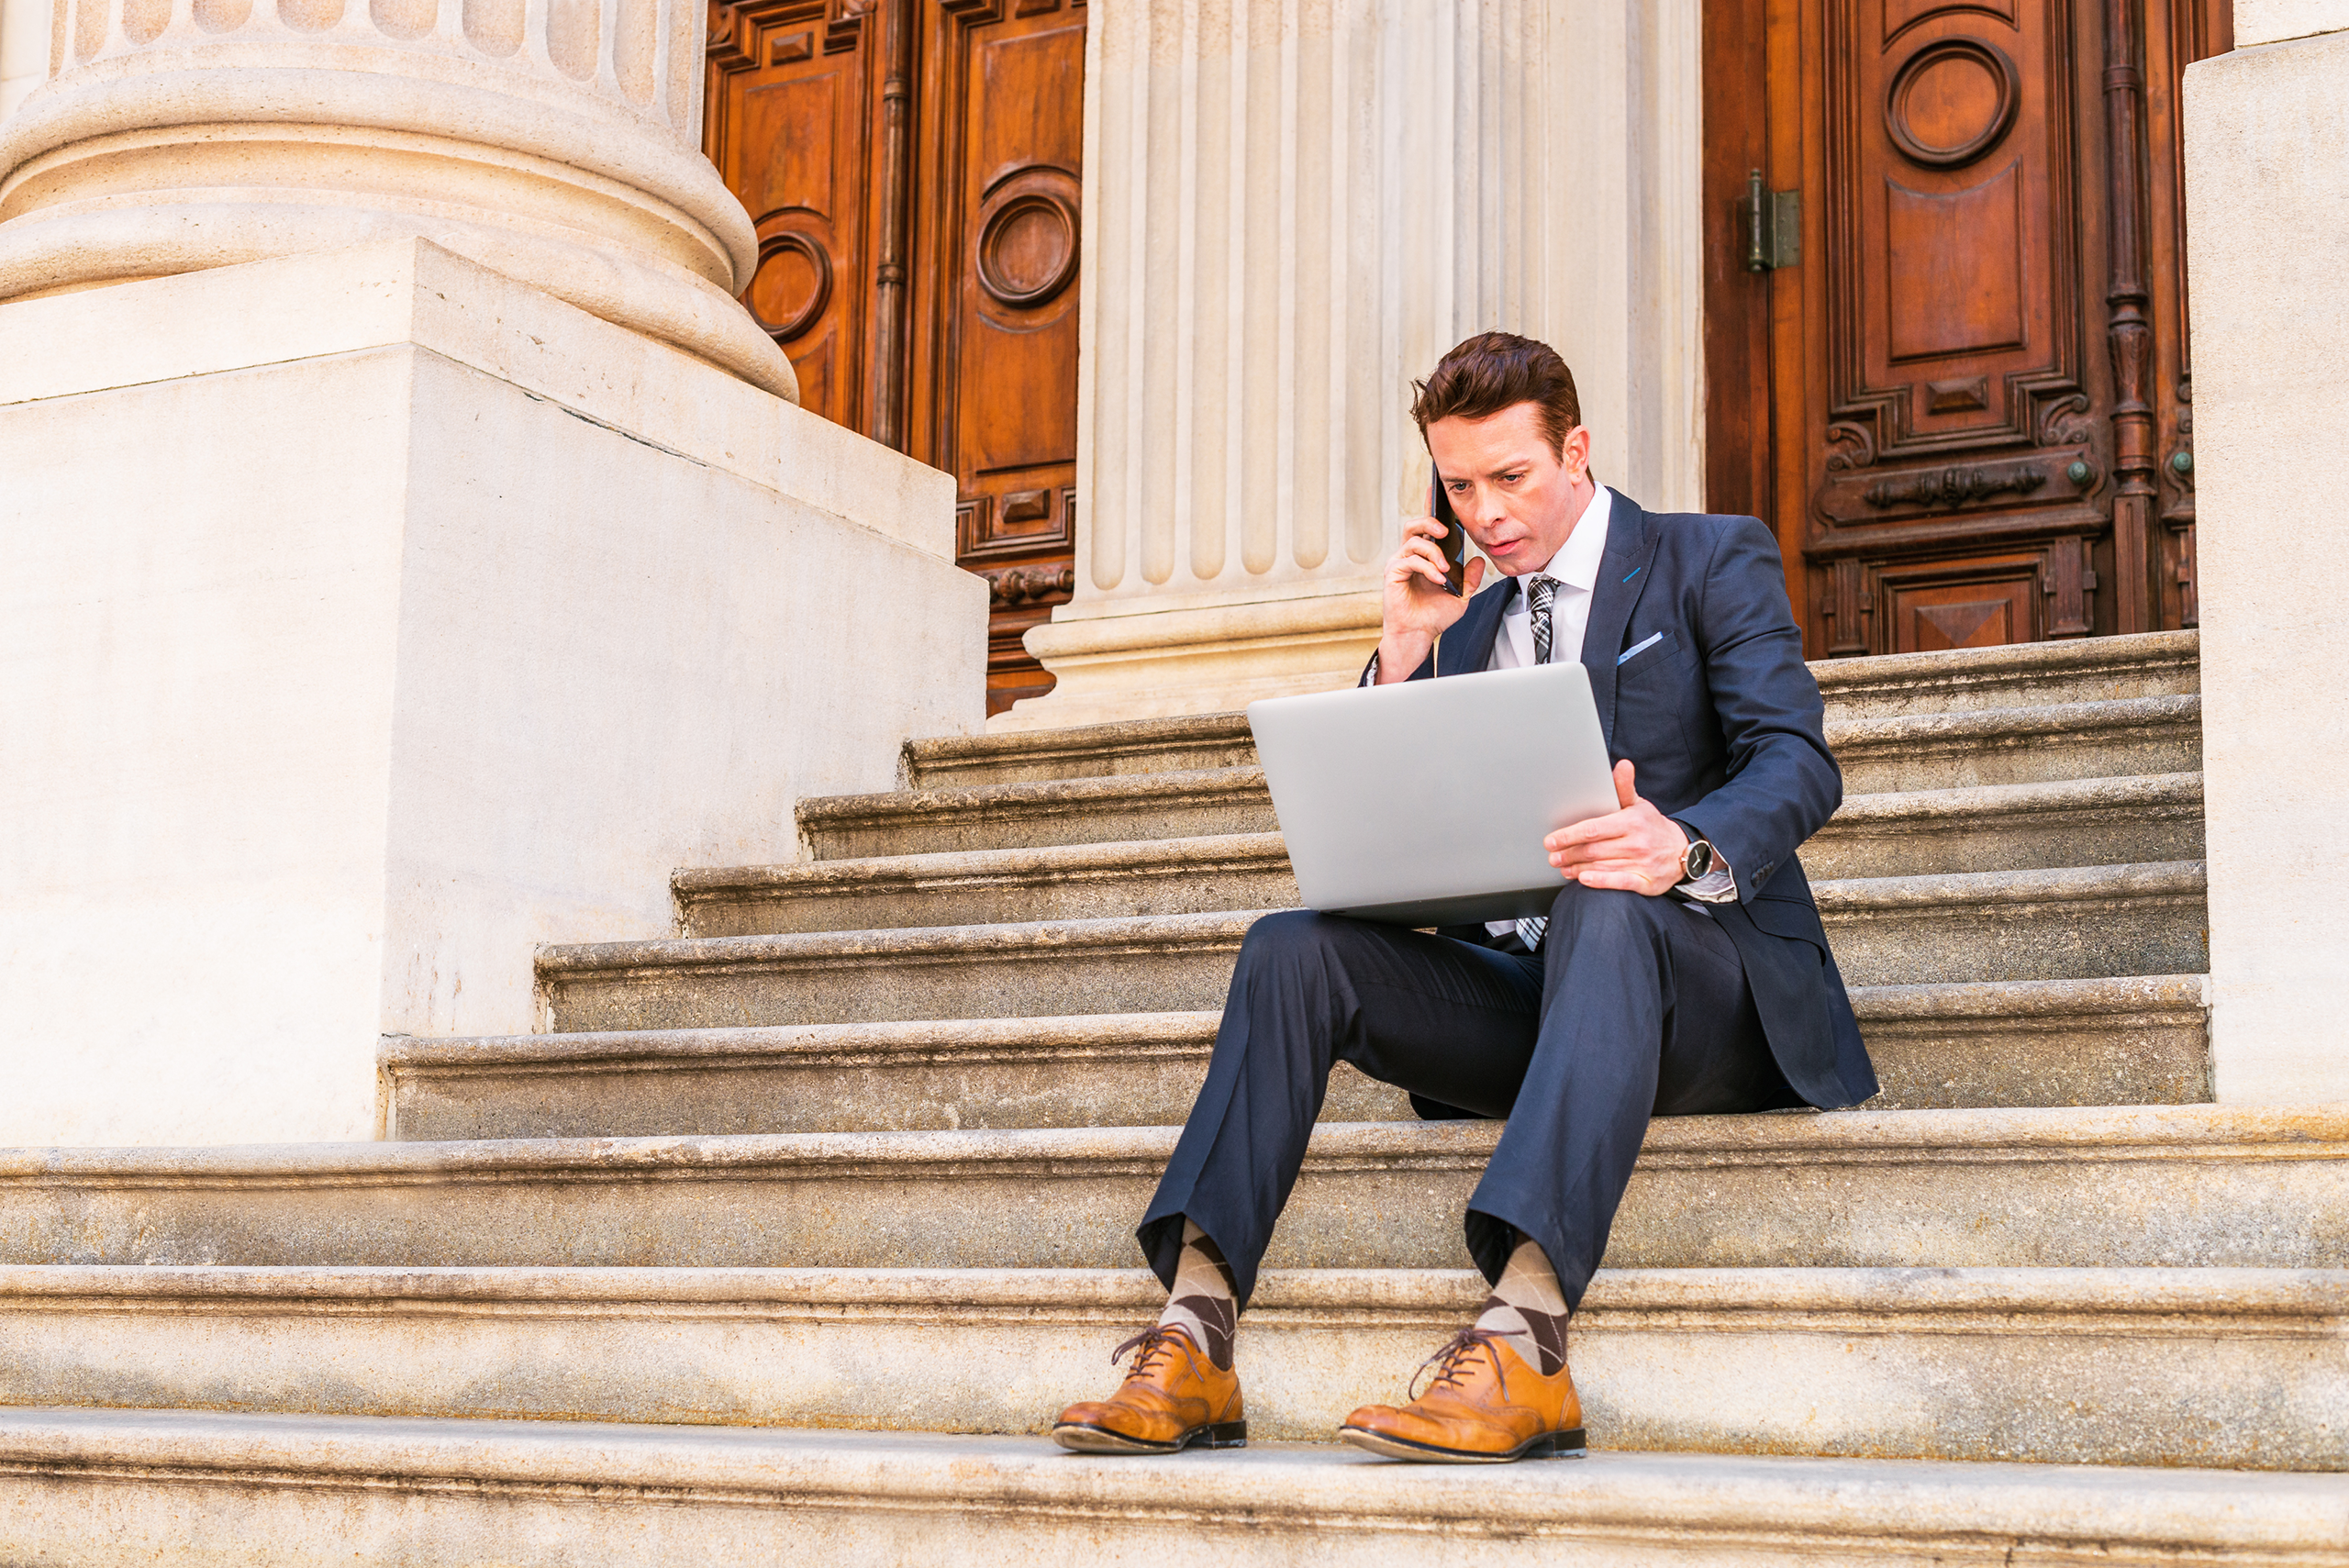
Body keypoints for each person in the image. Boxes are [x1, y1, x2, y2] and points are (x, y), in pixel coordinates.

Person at [1051, 331, 1877, 1463]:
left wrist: (1676, 843)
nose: (1484, 510)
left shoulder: (1704, 558)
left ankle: (1525, 1341)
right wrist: (1400, 655)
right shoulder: (1465, 622)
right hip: (1541, 1009)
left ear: (1575, 450)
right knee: (1292, 949)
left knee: (1604, 895)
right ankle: (1194, 1336)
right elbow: (1395, 842)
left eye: (1510, 476)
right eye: (1457, 484)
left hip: (1707, 989)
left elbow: (1797, 759)